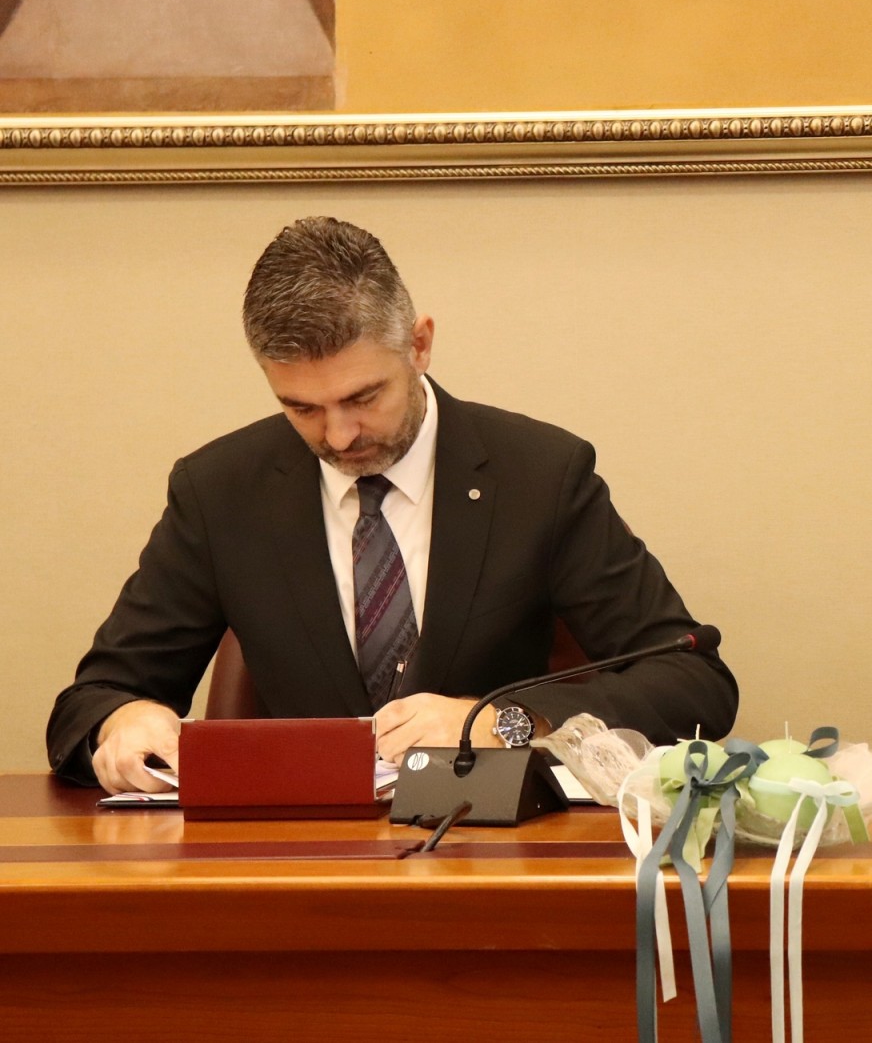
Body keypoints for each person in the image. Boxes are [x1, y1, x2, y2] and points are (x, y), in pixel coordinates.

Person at [48, 216, 736, 793]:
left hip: (491, 844)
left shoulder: (539, 475)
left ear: (419, 345)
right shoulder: (221, 490)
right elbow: (92, 698)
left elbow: (693, 680)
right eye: (301, 408)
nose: (339, 436)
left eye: (363, 397)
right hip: (299, 853)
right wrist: (122, 722)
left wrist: (501, 721)